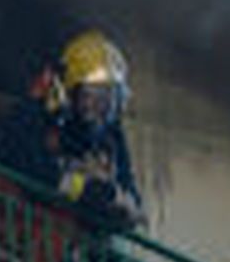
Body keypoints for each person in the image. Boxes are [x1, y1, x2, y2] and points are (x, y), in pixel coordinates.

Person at [31, 30, 145, 232]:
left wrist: (122, 204)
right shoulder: (47, 122)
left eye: (109, 101)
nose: (100, 110)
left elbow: (129, 191)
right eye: (92, 98)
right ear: (69, 95)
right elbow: (31, 165)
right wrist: (83, 189)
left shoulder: (112, 138)